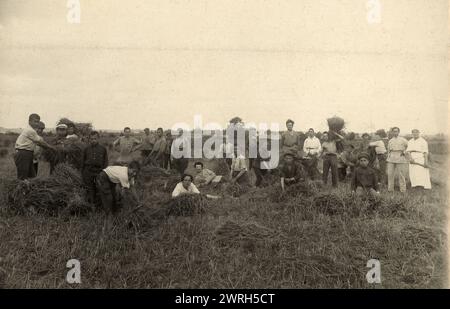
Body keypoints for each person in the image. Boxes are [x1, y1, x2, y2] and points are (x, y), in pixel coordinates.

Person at [14, 114, 54, 180]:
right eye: (35, 121)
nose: (36, 123)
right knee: (22, 177)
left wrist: (48, 147)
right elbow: (40, 142)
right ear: (29, 121)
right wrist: (51, 148)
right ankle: (20, 189)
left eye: (38, 122)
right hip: (23, 153)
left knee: (32, 176)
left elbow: (40, 143)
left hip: (29, 153)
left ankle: (30, 189)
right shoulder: (30, 130)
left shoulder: (32, 131)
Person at [82, 131, 109, 204]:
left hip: (99, 171)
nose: (93, 140)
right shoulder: (86, 149)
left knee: (101, 188)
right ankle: (92, 205)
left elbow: (105, 162)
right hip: (88, 171)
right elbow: (83, 161)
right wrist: (83, 173)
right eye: (91, 139)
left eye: (95, 139)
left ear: (98, 139)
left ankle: (102, 204)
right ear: (89, 139)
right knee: (90, 189)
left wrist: (104, 172)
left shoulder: (103, 149)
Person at [386, 127, 408, 193]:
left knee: (401, 174)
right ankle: (390, 189)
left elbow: (408, 147)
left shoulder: (403, 140)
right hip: (391, 157)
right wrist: (388, 156)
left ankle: (403, 190)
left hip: (400, 156)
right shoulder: (390, 140)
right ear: (392, 132)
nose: (395, 133)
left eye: (396, 131)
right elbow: (388, 150)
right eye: (394, 131)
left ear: (398, 132)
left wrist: (404, 152)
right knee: (390, 174)